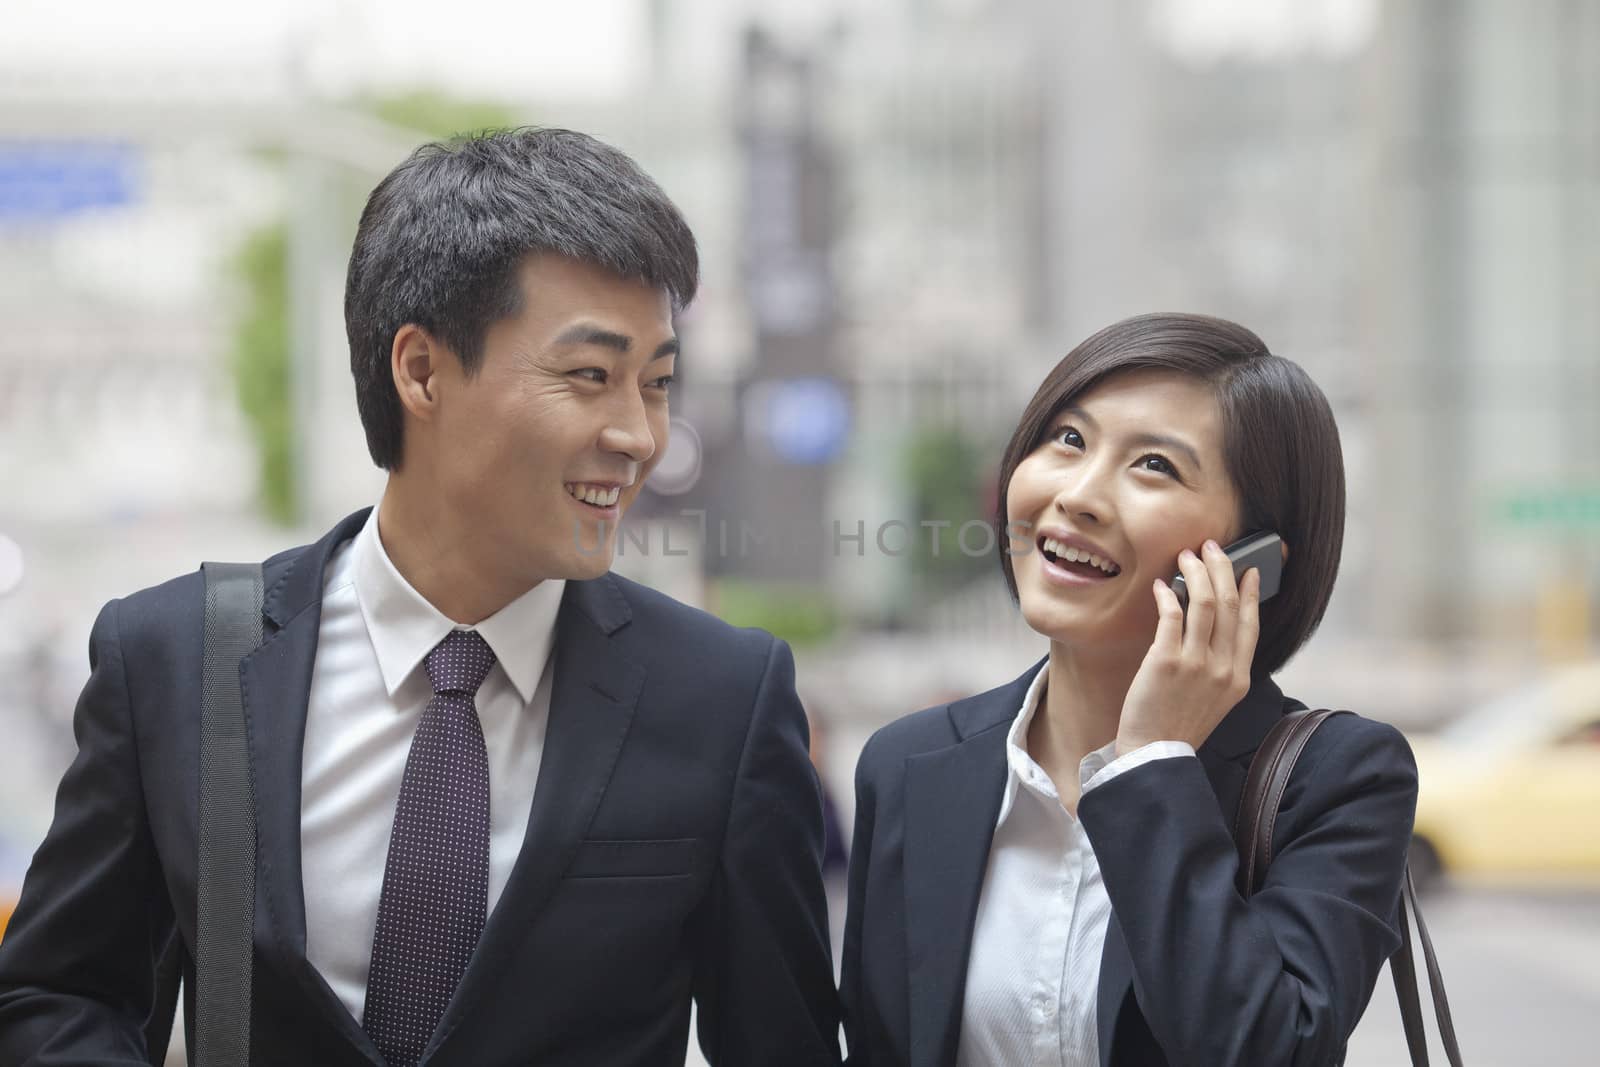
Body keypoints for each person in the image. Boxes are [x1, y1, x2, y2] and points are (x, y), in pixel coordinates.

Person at [0, 128, 840, 1066]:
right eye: (591, 377)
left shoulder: (723, 699)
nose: (640, 435)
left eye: (657, 383)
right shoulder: (177, 657)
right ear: (422, 370)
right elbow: (59, 991)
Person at [840, 313, 1418, 1066]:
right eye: (1069, 439)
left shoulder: (1340, 776)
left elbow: (1267, 1050)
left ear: (1253, 562)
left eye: (1154, 466)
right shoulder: (910, 765)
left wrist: (1151, 765)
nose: (1078, 495)